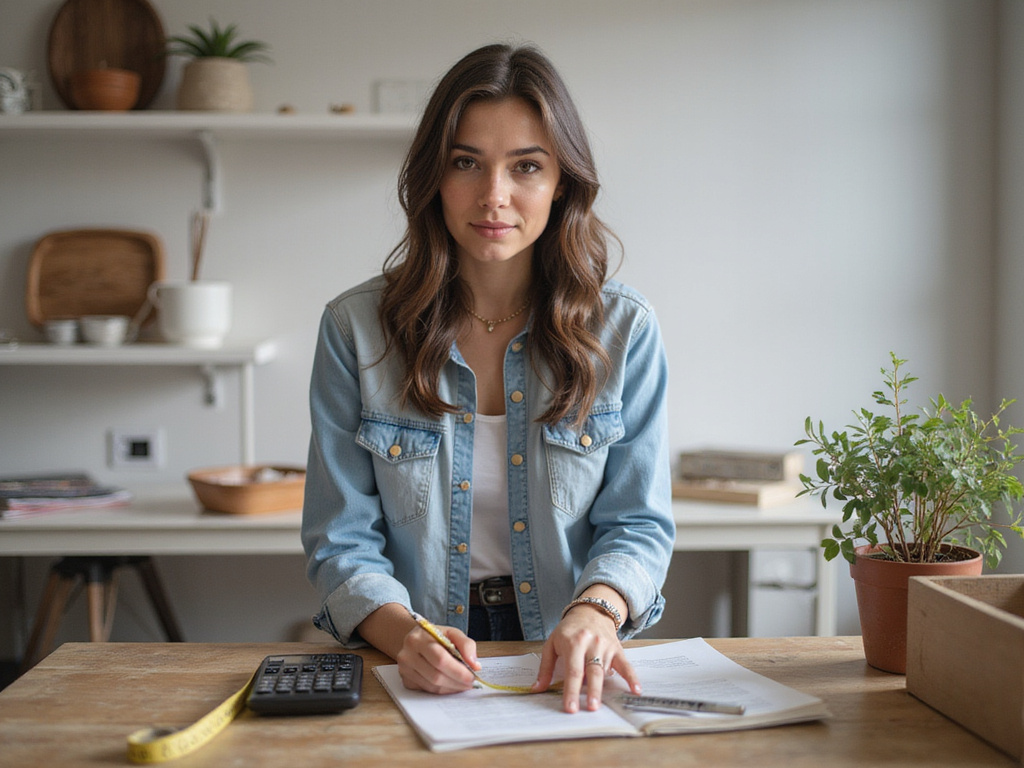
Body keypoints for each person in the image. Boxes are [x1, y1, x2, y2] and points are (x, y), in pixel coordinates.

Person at [301, 42, 674, 714]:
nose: (493, 196)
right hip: (412, 653)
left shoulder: (624, 331)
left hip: (566, 660)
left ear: (562, 181)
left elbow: (639, 524)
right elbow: (340, 535)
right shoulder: (355, 330)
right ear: (433, 177)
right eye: (465, 162)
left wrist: (597, 611)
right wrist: (402, 635)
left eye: (525, 166)